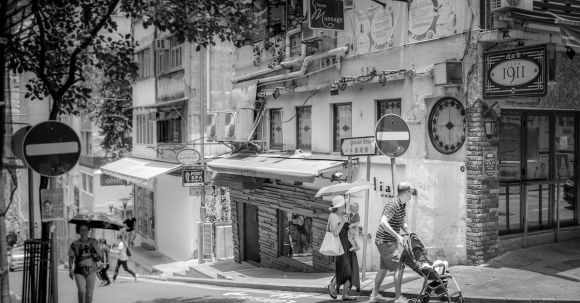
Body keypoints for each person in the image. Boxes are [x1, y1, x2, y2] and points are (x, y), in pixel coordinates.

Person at [370, 182, 416, 303]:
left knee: (384, 268)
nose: (412, 193)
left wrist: (410, 233)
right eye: (411, 191)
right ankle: (398, 297)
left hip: (387, 240)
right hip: (385, 240)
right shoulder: (393, 204)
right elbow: (383, 222)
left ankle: (374, 294)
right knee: (399, 267)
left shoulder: (402, 205)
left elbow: (401, 222)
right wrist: (397, 236)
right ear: (406, 192)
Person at [326, 195, 360, 301]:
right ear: (339, 205)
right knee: (345, 270)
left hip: (349, 246)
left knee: (352, 270)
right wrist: (343, 222)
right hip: (340, 247)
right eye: (343, 204)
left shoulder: (346, 215)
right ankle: (332, 285)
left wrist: (355, 230)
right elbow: (335, 232)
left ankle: (345, 294)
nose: (345, 205)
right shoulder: (333, 216)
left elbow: (351, 229)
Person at [68, 223, 102, 303]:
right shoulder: (74, 244)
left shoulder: (94, 241)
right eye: (81, 230)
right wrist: (70, 269)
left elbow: (100, 255)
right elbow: (71, 257)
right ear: (78, 231)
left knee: (89, 294)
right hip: (79, 270)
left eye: (86, 229)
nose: (84, 232)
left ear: (89, 230)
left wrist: (94, 245)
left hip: (92, 270)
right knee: (82, 291)